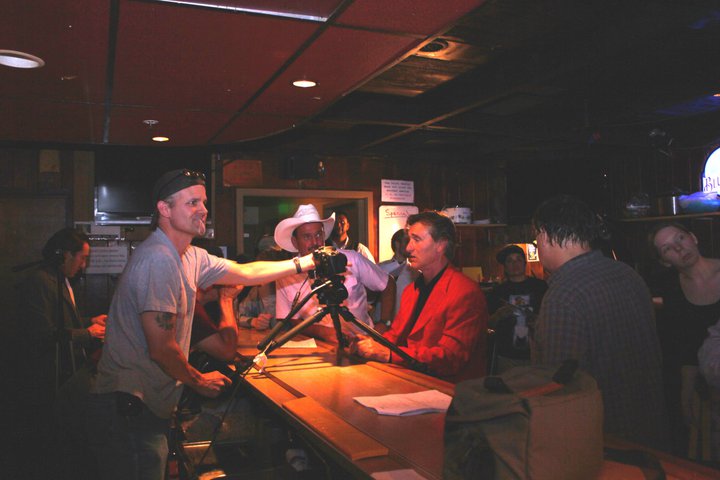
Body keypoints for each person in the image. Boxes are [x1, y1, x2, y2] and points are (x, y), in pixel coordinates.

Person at [85, 168, 319, 480]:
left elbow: (245, 272)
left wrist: (304, 262)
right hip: (129, 406)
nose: (203, 210)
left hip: (146, 404)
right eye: (192, 203)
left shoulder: (189, 255)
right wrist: (198, 381)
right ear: (164, 210)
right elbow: (162, 348)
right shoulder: (158, 259)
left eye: (204, 202)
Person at [531, 194, 669, 450]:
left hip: (603, 438)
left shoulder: (564, 294)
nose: (538, 245)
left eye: (537, 238)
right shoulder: (627, 273)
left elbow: (560, 383)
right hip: (649, 425)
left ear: (546, 235)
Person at [14, 227, 107, 480]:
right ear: (64, 255)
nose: (84, 265)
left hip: (64, 375)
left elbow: (64, 321)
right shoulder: (40, 282)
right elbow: (42, 333)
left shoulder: (61, 280)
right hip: (45, 378)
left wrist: (89, 321)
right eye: (82, 258)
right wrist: (87, 334)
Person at [353, 211, 488, 382]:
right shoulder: (412, 290)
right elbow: (395, 335)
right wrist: (371, 342)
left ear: (441, 245)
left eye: (416, 240)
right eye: (409, 240)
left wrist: (389, 354)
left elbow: (450, 358)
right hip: (413, 380)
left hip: (451, 392)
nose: (408, 248)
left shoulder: (465, 292)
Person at [650, 221, 720, 460]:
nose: (679, 248)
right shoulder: (672, 291)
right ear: (664, 261)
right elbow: (685, 347)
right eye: (667, 248)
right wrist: (686, 393)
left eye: (680, 238)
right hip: (707, 389)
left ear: (693, 238)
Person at [274, 204, 394, 343]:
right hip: (320, 348)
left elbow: (388, 284)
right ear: (295, 242)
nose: (315, 242)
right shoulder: (287, 274)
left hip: (363, 343)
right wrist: (321, 332)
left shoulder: (351, 259)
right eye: (307, 237)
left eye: (318, 234)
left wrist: (384, 324)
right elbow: (293, 320)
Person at [486, 244, 547, 373]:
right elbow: (488, 322)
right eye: (510, 261)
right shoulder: (497, 291)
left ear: (524, 263)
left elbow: (552, 317)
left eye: (518, 259)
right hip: (507, 355)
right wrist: (499, 314)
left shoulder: (540, 287)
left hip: (537, 352)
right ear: (505, 266)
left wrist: (537, 320)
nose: (515, 264)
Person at [372, 228, 418, 331]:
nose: (410, 246)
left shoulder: (415, 273)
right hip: (381, 324)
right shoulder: (379, 268)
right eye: (407, 241)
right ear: (397, 244)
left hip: (405, 325)